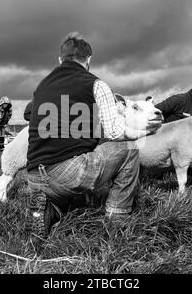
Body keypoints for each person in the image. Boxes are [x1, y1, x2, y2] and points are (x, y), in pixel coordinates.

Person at [25, 32, 162, 245]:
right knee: (130, 148)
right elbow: (115, 132)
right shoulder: (96, 84)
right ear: (88, 60)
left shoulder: (41, 86)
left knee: (71, 178)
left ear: (60, 60)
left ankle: (48, 209)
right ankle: (117, 220)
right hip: (66, 173)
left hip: (33, 175)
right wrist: (143, 131)